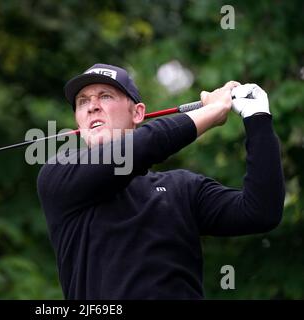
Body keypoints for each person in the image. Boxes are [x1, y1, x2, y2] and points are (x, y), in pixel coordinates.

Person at [36, 63, 285, 299]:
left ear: (138, 113)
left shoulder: (183, 188)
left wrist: (257, 118)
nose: (92, 106)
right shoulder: (60, 174)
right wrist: (211, 111)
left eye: (105, 96)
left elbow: (260, 211)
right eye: (82, 102)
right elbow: (140, 146)